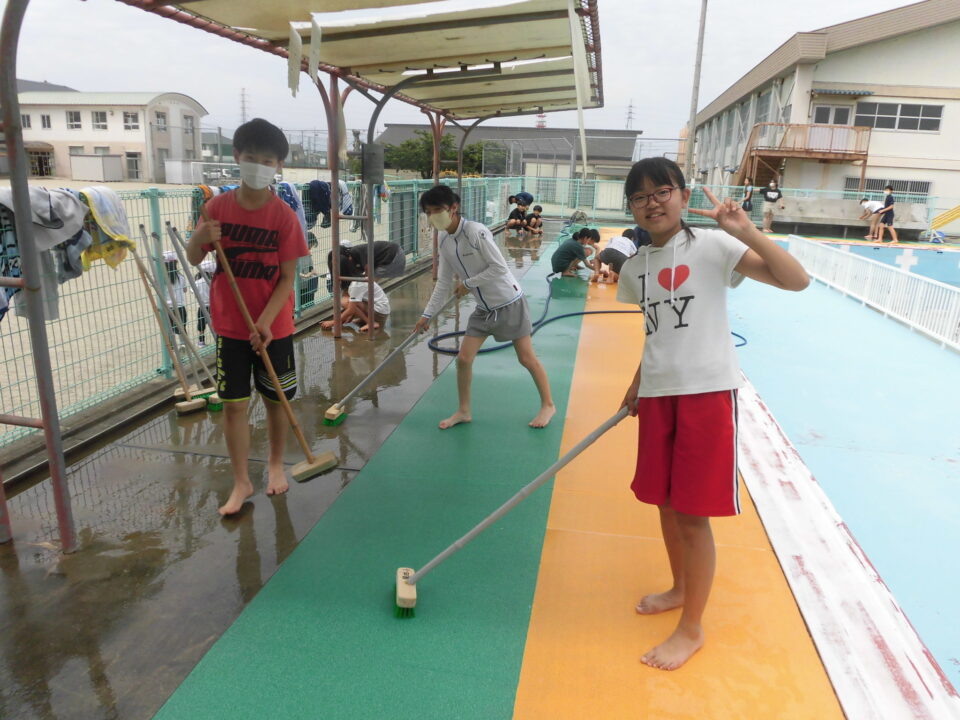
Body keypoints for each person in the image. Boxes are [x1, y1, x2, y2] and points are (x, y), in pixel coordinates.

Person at [617, 157, 809, 671]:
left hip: (706, 394)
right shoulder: (635, 269)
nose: (652, 203)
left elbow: (796, 281)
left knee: (691, 515)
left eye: (662, 191)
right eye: (640, 196)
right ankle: (680, 588)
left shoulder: (714, 246)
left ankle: (692, 628)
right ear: (631, 208)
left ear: (682, 196)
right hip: (659, 395)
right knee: (664, 504)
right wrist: (638, 383)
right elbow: (657, 332)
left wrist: (747, 231)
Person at [187, 118, 309, 516]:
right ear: (237, 157)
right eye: (252, 157)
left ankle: (275, 464)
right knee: (234, 406)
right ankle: (241, 480)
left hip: (275, 328)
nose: (259, 166)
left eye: (268, 161)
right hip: (231, 327)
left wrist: (266, 322)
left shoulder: (283, 217)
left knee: (276, 401)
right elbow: (194, 258)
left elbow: (287, 278)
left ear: (279, 165)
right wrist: (198, 238)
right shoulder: (215, 208)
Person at [414, 184, 555, 429]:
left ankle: (548, 405)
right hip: (483, 309)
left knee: (526, 358)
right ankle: (464, 411)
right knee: (464, 359)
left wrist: (468, 284)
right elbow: (443, 282)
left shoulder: (475, 232)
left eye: (437, 210)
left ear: (453, 208)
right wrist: (427, 315)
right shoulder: (445, 241)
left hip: (509, 302)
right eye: (428, 212)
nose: (433, 216)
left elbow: (499, 267)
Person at [326, 240, 405, 292]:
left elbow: (368, 271)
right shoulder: (351, 258)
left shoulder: (356, 252)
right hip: (388, 255)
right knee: (365, 285)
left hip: (393, 254)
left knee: (368, 285)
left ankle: (372, 304)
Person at [320, 278, 391, 333]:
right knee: (347, 301)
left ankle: (371, 323)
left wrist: (333, 322)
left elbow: (351, 308)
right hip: (380, 309)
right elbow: (354, 302)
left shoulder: (355, 285)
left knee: (344, 302)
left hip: (379, 313)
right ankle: (366, 319)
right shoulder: (355, 280)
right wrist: (344, 319)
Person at [162, 252, 188, 346]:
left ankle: (171, 345)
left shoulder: (162, 278)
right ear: (175, 263)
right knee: (181, 328)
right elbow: (185, 290)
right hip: (180, 306)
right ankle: (183, 344)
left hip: (167, 307)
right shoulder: (181, 277)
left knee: (169, 328)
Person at [195, 259, 215, 346]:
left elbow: (194, 293)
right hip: (213, 306)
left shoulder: (197, 282)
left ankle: (201, 341)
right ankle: (216, 337)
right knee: (214, 323)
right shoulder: (213, 282)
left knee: (201, 324)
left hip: (202, 306)